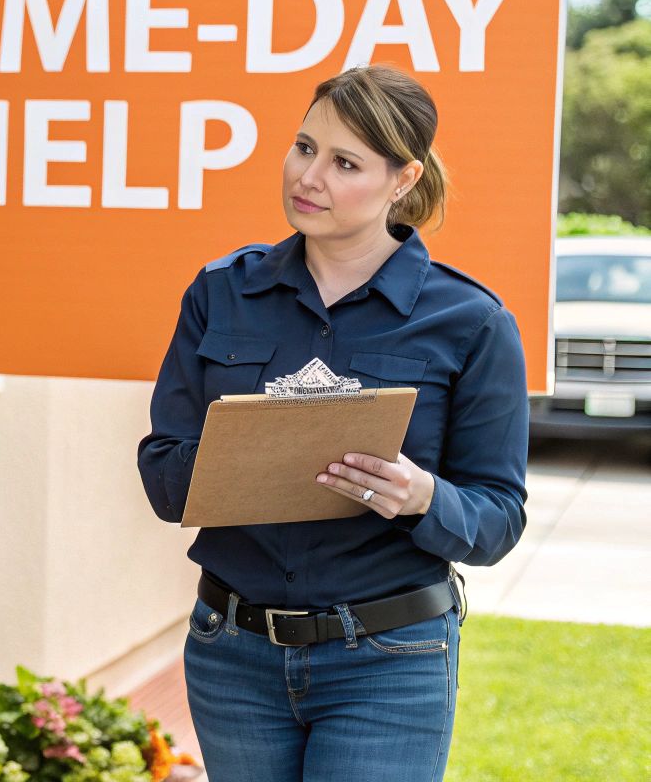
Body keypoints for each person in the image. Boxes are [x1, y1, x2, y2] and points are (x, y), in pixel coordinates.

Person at [137, 65, 529, 782]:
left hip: (390, 661)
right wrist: (235, 460)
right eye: (304, 146)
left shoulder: (472, 322)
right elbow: (163, 473)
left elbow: (498, 519)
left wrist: (422, 498)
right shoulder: (221, 294)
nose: (308, 176)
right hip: (233, 657)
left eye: (345, 162)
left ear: (402, 179)